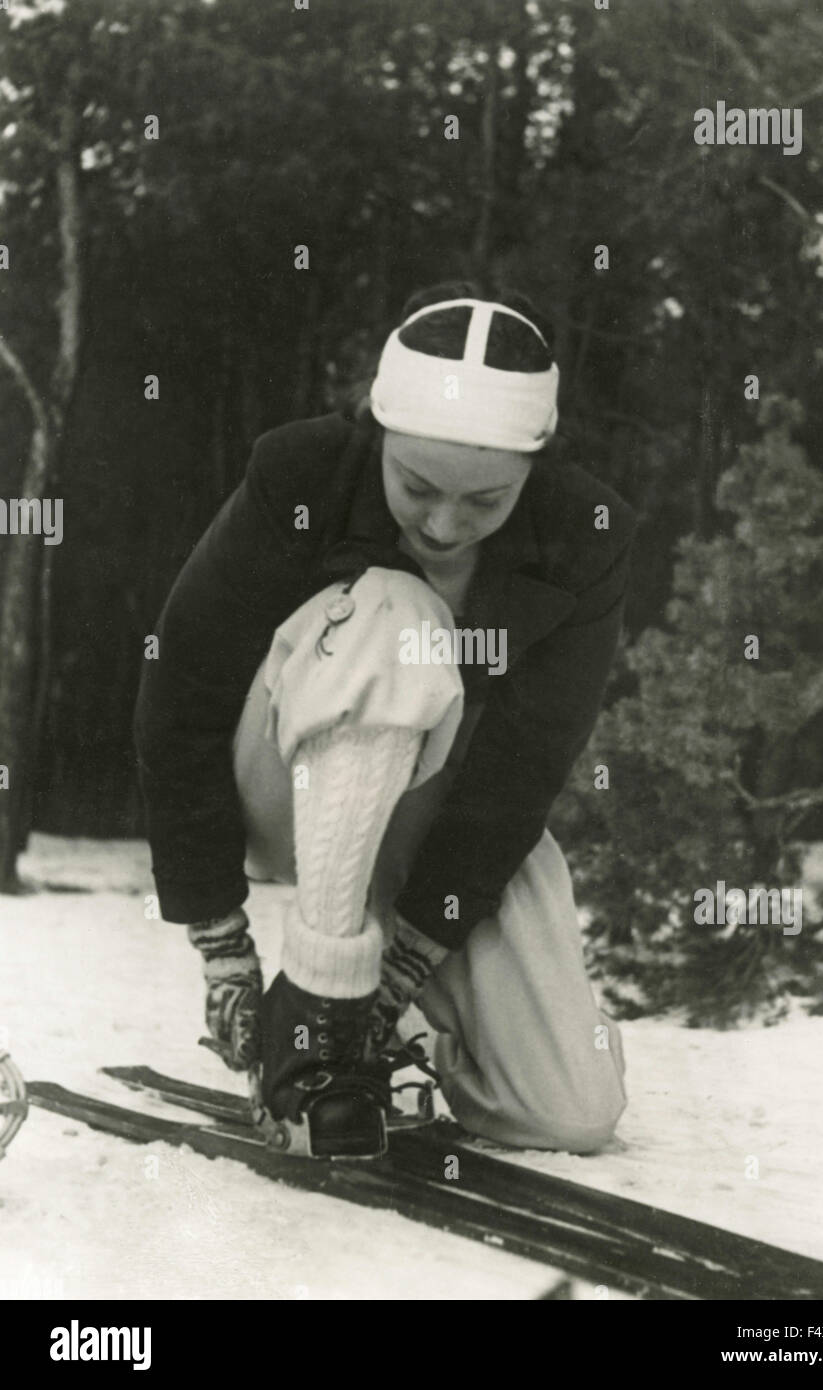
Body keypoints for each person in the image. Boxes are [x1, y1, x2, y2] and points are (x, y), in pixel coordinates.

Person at [134, 282, 636, 1159]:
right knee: (398, 614)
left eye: (486, 502)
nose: (446, 523)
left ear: (538, 462)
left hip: (435, 815)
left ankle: (389, 1040)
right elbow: (181, 699)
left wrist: (405, 970)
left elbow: (520, 773)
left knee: (568, 1111)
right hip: (280, 784)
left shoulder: (586, 537)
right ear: (376, 425)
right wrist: (222, 944)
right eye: (418, 485)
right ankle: (317, 1020)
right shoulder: (300, 474)